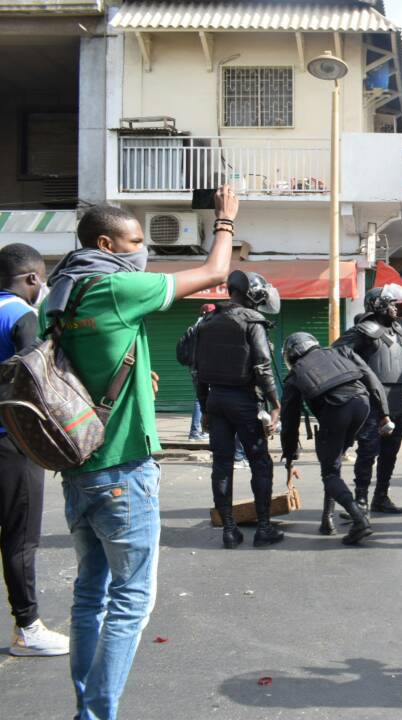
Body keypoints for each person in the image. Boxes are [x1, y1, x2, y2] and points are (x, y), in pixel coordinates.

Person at [42, 189, 235, 719]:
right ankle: (96, 715)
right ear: (106, 244)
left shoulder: (58, 294)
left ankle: (86, 705)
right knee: (130, 601)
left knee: (90, 596)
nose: (142, 251)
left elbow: (71, 371)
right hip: (123, 471)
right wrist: (225, 220)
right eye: (136, 242)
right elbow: (216, 272)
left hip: (77, 471)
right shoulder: (116, 284)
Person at [0, 244, 69, 657]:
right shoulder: (21, 315)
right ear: (32, 279)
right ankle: (27, 627)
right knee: (21, 538)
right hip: (10, 442)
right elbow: (36, 376)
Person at [195, 270, 283, 549]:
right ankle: (264, 528)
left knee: (221, 466)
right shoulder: (252, 321)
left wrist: (204, 408)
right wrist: (276, 404)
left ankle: (229, 531)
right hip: (245, 402)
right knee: (260, 462)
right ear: (253, 294)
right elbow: (263, 366)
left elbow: (196, 370)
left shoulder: (207, 322)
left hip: (216, 401)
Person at [280, 332, 392, 545]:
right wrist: (384, 413)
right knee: (333, 461)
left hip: (337, 410)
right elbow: (372, 379)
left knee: (330, 472)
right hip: (362, 404)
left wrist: (290, 454)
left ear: (293, 354)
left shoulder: (295, 375)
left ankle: (359, 521)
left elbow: (289, 420)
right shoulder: (341, 351)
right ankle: (327, 519)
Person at [334, 284, 402, 516]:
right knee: (368, 451)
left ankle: (381, 496)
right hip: (372, 403)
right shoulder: (363, 330)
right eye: (392, 304)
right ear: (379, 305)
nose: (397, 309)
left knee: (391, 452)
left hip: (398, 401)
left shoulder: (399, 331)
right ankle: (360, 501)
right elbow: (337, 353)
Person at [177, 303, 216, 441]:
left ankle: (199, 431)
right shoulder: (206, 327)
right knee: (202, 400)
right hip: (204, 367)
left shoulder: (193, 327)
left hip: (194, 367)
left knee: (201, 398)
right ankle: (196, 432)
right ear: (207, 314)